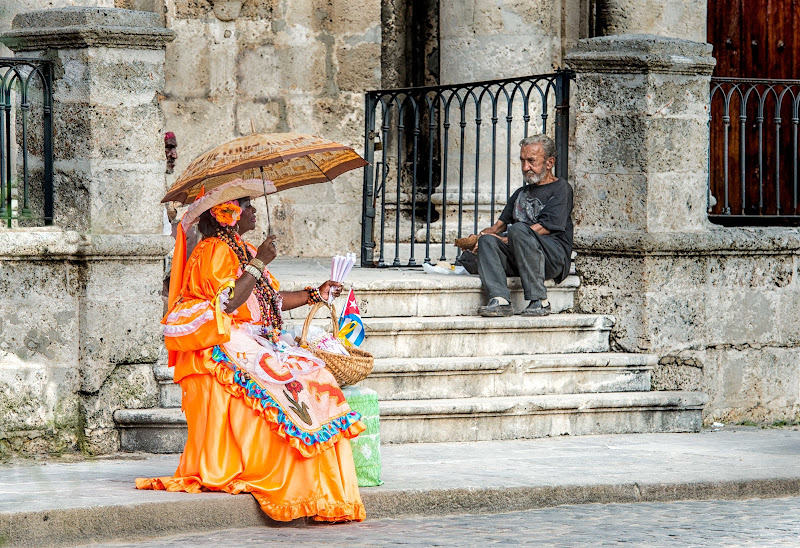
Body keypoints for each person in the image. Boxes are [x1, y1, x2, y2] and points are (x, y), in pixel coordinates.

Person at [137, 178, 366, 523]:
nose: (254, 209)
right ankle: (292, 479)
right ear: (226, 214)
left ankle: (322, 485)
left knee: (314, 374)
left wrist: (315, 294)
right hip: (227, 342)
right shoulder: (214, 250)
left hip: (257, 339)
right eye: (246, 204)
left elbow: (269, 301)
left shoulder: (242, 248)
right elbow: (228, 303)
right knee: (286, 383)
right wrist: (259, 262)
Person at [471, 134, 573, 317]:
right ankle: (500, 300)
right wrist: (479, 239)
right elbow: (496, 228)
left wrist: (503, 238)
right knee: (488, 240)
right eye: (523, 161)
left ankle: (539, 301)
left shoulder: (561, 189)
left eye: (532, 161)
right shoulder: (521, 193)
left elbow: (544, 227)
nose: (526, 167)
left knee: (518, 229)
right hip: (521, 255)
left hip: (551, 258)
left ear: (549, 163)